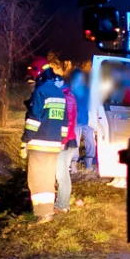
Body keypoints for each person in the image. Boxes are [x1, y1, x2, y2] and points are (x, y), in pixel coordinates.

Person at [20, 56, 69, 224]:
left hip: (39, 143)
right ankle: (47, 212)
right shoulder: (59, 92)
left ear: (37, 73)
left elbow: (34, 120)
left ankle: (42, 214)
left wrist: (25, 140)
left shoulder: (41, 92)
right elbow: (64, 121)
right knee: (48, 179)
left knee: (36, 180)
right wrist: (61, 140)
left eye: (32, 75)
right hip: (54, 144)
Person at [55, 74, 78, 212]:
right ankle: (61, 203)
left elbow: (68, 122)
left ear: (61, 82)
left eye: (56, 81)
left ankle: (63, 205)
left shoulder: (66, 97)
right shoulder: (66, 96)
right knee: (61, 173)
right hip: (67, 140)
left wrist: (62, 141)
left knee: (62, 174)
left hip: (66, 141)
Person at [69, 69, 96, 170]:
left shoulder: (87, 90)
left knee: (90, 141)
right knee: (75, 141)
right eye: (78, 77)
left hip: (87, 120)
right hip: (75, 121)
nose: (80, 79)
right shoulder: (70, 90)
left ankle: (89, 164)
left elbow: (92, 103)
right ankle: (74, 164)